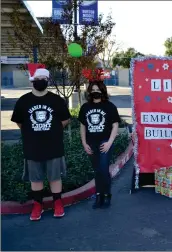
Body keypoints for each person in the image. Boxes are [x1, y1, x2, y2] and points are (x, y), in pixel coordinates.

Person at [11, 68, 71, 221]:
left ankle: (57, 202)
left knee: (55, 177)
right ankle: (38, 205)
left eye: (44, 78)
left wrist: (52, 131)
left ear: (48, 81)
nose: (41, 81)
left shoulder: (57, 100)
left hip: (54, 146)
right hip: (32, 147)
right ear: (32, 80)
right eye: (38, 78)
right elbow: (19, 122)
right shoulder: (23, 101)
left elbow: (65, 120)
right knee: (35, 179)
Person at [78, 80, 120, 209]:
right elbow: (82, 126)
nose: (95, 92)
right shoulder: (85, 107)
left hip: (105, 142)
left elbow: (115, 125)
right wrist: (84, 143)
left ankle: (106, 195)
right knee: (97, 171)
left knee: (103, 169)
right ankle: (98, 196)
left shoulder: (109, 106)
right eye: (93, 90)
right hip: (91, 143)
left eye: (98, 90)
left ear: (103, 91)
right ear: (89, 91)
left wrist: (109, 142)